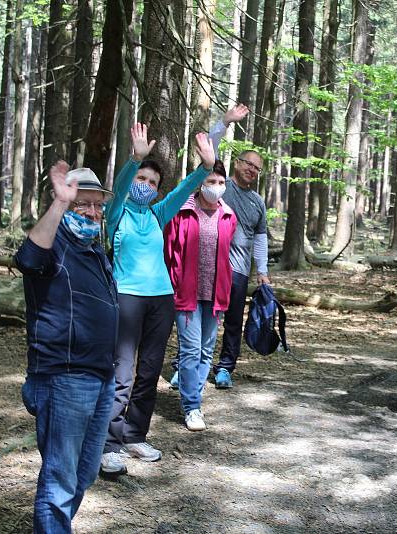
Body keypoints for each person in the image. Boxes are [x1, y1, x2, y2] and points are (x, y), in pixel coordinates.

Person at [100, 124, 217, 476]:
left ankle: (136, 435)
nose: (146, 186)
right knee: (122, 372)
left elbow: (184, 190)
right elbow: (119, 188)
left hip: (161, 299)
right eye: (142, 178)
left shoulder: (156, 214)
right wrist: (133, 160)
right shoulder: (115, 213)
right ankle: (109, 444)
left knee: (150, 372)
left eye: (152, 183)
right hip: (127, 296)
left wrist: (206, 169)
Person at [15, 162, 116, 533]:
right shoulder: (54, 242)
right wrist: (60, 204)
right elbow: (27, 258)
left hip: (100, 376)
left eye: (97, 205)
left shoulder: (94, 250)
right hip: (64, 376)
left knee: (84, 473)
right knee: (60, 479)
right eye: (82, 204)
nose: (92, 212)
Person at [163, 161, 237, 431]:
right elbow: (169, 253)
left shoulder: (228, 215)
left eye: (220, 182)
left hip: (215, 295)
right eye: (210, 181)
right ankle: (191, 406)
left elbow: (226, 255)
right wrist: (173, 285)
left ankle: (193, 395)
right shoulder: (182, 211)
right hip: (186, 294)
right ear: (199, 183)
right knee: (191, 351)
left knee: (206, 351)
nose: (216, 187)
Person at [206, 104, 270, 389]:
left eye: (257, 168)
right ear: (237, 163)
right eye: (248, 164)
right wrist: (225, 122)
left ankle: (225, 368)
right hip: (209, 264)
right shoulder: (219, 186)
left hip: (239, 271)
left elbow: (260, 237)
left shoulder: (258, 202)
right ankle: (188, 365)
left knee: (233, 321)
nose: (252, 170)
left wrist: (263, 270)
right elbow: (209, 149)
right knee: (201, 317)